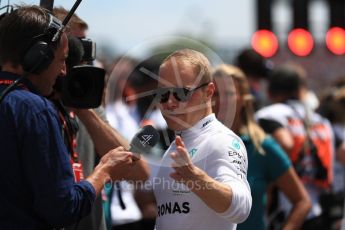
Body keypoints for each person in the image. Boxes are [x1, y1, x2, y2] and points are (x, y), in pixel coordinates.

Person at [0, 5, 136, 229]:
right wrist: (105, 170)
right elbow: (63, 207)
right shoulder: (37, 110)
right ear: (38, 57)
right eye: (61, 60)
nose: (64, 71)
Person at [52, 7, 150, 230]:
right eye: (73, 50)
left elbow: (139, 173)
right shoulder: (28, 106)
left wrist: (82, 107)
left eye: (85, 51)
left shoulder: (89, 109)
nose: (81, 61)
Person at [152, 49, 252, 230]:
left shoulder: (221, 140)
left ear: (208, 92)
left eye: (181, 93)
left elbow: (241, 208)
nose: (170, 103)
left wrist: (195, 178)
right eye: (163, 94)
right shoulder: (175, 147)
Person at [212, 64, 311, 230]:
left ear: (243, 99)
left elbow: (302, 202)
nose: (221, 100)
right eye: (215, 94)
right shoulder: (194, 144)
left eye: (229, 93)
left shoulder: (262, 147)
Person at [255, 64, 334, 230]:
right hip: (318, 212)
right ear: (301, 90)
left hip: (284, 213)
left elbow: (285, 144)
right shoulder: (322, 121)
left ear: (270, 91)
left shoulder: (268, 115)